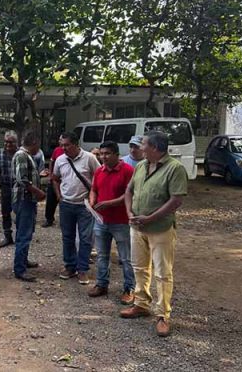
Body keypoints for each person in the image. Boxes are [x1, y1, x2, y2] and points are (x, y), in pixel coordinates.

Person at [120, 131, 188, 338]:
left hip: (161, 229)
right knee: (139, 267)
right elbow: (129, 190)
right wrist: (129, 213)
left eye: (144, 145)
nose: (140, 148)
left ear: (155, 148)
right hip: (137, 227)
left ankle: (163, 315)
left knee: (162, 273)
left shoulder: (175, 168)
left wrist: (150, 218)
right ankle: (141, 304)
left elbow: (176, 200)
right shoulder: (141, 165)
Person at [87, 141, 135, 304]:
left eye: (107, 153)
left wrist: (108, 203)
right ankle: (101, 284)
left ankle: (129, 288)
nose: (103, 157)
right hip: (101, 220)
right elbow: (94, 189)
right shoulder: (99, 171)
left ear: (116, 154)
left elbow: (129, 194)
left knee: (126, 257)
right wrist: (92, 201)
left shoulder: (128, 171)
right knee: (102, 255)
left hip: (121, 221)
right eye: (101, 154)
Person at [52, 132, 100, 285]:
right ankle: (70, 266)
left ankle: (83, 269)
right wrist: (58, 195)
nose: (64, 148)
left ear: (76, 144)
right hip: (66, 204)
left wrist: (93, 197)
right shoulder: (60, 159)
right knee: (67, 237)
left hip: (84, 205)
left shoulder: (89, 158)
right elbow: (55, 178)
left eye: (67, 145)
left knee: (85, 238)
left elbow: (99, 177)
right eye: (62, 145)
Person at [12, 131, 46, 282]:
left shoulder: (27, 156)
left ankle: (23, 261)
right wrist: (38, 192)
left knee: (28, 231)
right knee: (24, 234)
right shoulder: (22, 155)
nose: (39, 148)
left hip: (28, 200)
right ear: (34, 143)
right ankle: (20, 269)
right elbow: (22, 179)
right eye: (38, 144)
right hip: (23, 199)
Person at [0, 131, 18, 247]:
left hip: (19, 187)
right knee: (5, 212)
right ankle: (8, 236)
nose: (8, 144)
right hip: (5, 186)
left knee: (19, 212)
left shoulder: (20, 153)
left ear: (16, 142)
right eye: (6, 142)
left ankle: (20, 236)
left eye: (10, 142)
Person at [42, 135, 65, 227]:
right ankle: (49, 219)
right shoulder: (57, 150)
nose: (60, 141)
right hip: (55, 178)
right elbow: (52, 161)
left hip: (65, 180)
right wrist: (50, 175)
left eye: (61, 140)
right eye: (59, 140)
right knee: (51, 199)